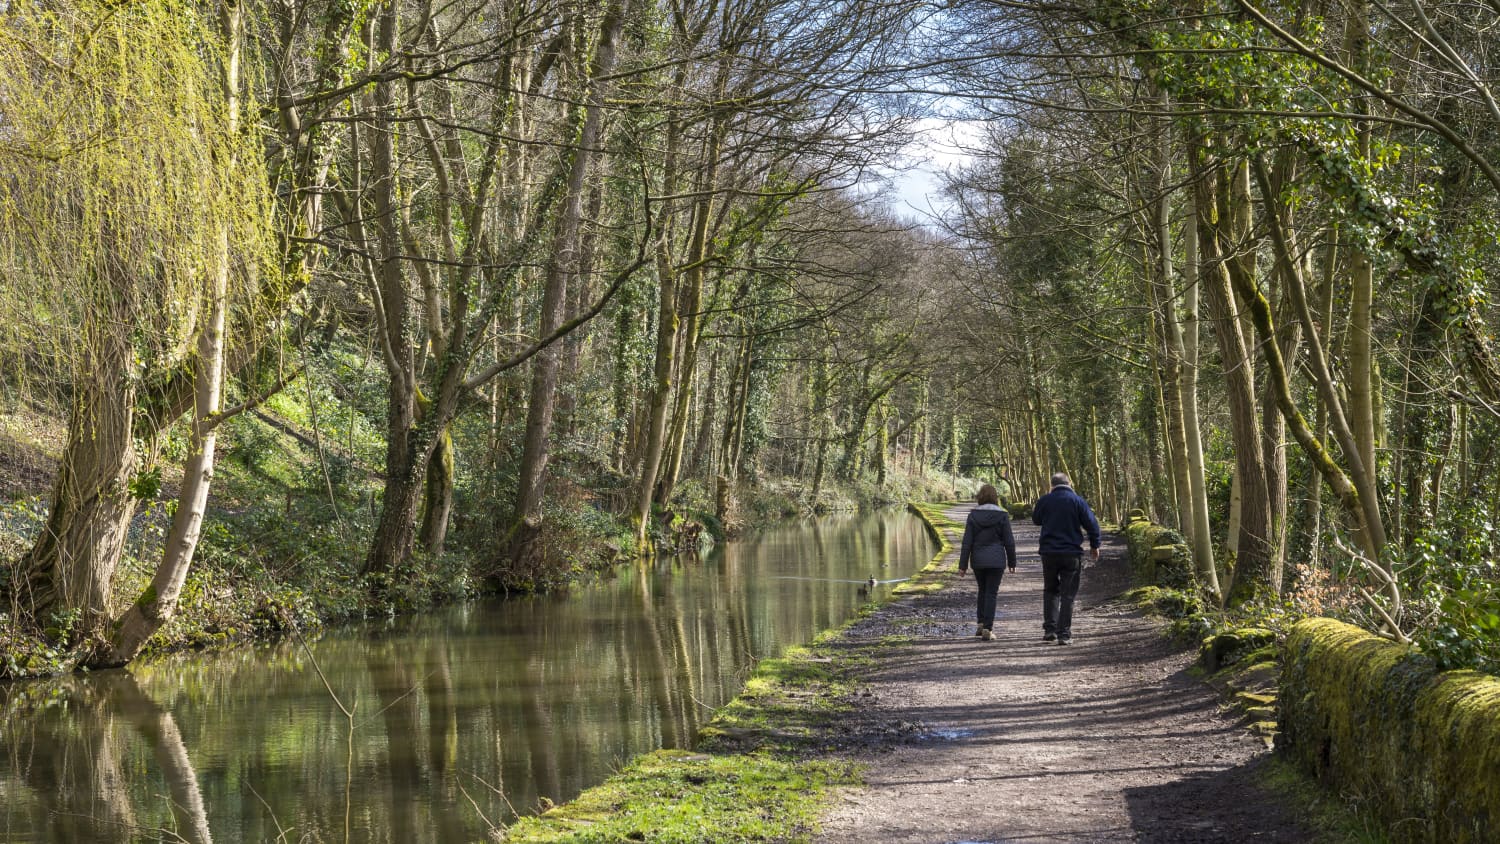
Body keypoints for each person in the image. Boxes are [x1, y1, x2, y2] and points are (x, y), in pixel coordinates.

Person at [1032, 472, 1101, 645]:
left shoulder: (1045, 500)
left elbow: (1036, 520)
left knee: (1050, 590)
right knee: (1068, 595)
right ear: (1069, 484)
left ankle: (1049, 630)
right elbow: (1092, 524)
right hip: (1071, 553)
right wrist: (1095, 545)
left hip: (1048, 553)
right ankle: (1064, 634)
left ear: (1052, 485)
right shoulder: (1078, 501)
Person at [958, 483, 1017, 641]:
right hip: (997, 560)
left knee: (982, 590)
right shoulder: (1003, 516)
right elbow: (1009, 541)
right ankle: (988, 628)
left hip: (978, 560)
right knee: (991, 593)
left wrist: (962, 566)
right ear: (995, 497)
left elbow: (967, 542)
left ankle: (980, 623)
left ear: (980, 497)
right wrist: (1012, 562)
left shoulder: (973, 516)